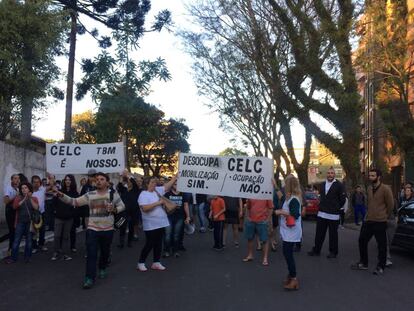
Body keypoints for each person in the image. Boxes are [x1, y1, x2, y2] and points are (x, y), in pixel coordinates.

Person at [55, 172, 125, 289]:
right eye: (97, 179)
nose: (98, 181)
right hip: (92, 229)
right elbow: (74, 202)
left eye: (102, 179)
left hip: (108, 230)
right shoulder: (90, 195)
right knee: (91, 254)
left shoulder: (113, 194)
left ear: (107, 182)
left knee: (105, 252)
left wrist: (114, 209)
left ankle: (102, 267)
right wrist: (61, 195)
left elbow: (122, 206)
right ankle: (89, 278)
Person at [351, 169, 394, 275]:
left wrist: (385, 216)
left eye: (373, 175)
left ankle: (381, 266)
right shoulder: (369, 188)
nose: (371, 177)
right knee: (362, 240)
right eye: (370, 175)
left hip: (380, 221)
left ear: (378, 177)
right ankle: (363, 263)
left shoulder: (385, 189)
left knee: (381, 245)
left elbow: (391, 205)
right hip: (369, 220)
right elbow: (369, 203)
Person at [136, 175, 177, 272]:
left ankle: (156, 262)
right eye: (153, 182)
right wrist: (158, 203)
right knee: (149, 243)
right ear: (147, 184)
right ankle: (141, 262)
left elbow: (166, 186)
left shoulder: (157, 190)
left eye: (155, 182)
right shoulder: (143, 194)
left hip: (161, 222)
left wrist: (175, 178)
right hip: (150, 224)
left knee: (158, 243)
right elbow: (145, 209)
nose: (155, 184)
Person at [308, 168, 346, 258]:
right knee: (319, 234)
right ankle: (316, 250)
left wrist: (336, 208)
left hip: (333, 215)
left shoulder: (339, 185)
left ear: (334, 175)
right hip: (322, 214)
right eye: (328, 173)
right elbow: (320, 197)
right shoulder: (322, 184)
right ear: (326, 174)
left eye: (332, 173)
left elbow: (343, 199)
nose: (330, 175)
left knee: (333, 235)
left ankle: (333, 252)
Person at [275, 175, 302, 290]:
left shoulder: (294, 199)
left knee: (288, 255)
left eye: (286, 184)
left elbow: (295, 215)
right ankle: (291, 275)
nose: (284, 186)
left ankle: (294, 278)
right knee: (287, 254)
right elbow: (281, 198)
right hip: (288, 231)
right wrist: (275, 187)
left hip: (291, 232)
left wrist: (280, 212)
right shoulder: (290, 197)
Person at [5, 182, 39, 263]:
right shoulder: (18, 197)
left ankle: (27, 258)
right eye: (22, 188)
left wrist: (30, 198)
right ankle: (13, 258)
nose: (24, 189)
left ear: (29, 189)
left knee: (29, 241)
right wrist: (24, 199)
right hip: (20, 222)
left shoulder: (34, 198)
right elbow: (15, 207)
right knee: (16, 241)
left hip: (30, 223)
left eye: (26, 188)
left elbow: (36, 208)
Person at [51, 174, 78, 261]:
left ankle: (65, 254)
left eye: (69, 180)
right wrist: (55, 210)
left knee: (66, 237)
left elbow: (76, 204)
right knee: (57, 236)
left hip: (69, 218)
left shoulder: (75, 193)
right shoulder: (60, 191)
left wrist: (72, 213)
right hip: (59, 217)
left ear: (72, 181)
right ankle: (55, 252)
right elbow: (54, 202)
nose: (67, 181)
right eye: (66, 179)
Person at [163, 180, 191, 258]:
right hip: (169, 217)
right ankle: (166, 251)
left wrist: (188, 216)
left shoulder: (183, 194)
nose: (176, 186)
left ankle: (175, 251)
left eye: (177, 184)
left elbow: (186, 205)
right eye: (174, 184)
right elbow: (164, 205)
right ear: (172, 185)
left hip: (180, 217)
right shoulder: (167, 194)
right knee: (167, 235)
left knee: (176, 235)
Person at [242, 198, 273, 265]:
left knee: (264, 240)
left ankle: (265, 258)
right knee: (250, 238)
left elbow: (271, 208)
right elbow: (248, 207)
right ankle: (250, 255)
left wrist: (267, 220)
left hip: (262, 221)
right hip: (251, 220)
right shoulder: (252, 194)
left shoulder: (266, 194)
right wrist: (247, 217)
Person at [116, 170, 141, 248]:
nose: (128, 182)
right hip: (124, 212)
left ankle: (129, 242)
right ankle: (121, 243)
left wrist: (128, 175)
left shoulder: (136, 190)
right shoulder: (123, 190)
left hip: (133, 213)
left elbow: (135, 182)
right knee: (121, 227)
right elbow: (119, 184)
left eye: (130, 181)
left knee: (131, 227)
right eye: (127, 181)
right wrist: (122, 176)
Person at [3, 174, 20, 256]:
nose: (17, 180)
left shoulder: (17, 189)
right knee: (12, 231)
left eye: (18, 179)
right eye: (15, 178)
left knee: (14, 231)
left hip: (15, 211)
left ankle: (13, 248)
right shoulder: (8, 188)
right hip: (9, 211)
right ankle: (10, 250)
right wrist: (15, 196)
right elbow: (5, 201)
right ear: (11, 180)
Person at [31, 175, 47, 253]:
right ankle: (34, 246)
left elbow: (51, 186)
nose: (36, 184)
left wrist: (49, 176)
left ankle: (41, 244)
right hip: (33, 214)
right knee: (34, 231)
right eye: (34, 182)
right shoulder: (30, 192)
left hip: (42, 213)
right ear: (32, 183)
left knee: (42, 230)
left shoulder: (43, 190)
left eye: (38, 182)